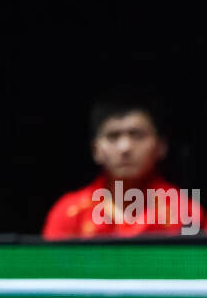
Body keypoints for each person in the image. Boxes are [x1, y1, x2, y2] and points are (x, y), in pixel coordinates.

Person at [43, 98, 196, 239]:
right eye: (113, 136)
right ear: (96, 150)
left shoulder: (185, 212)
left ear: (161, 146)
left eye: (137, 135)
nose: (125, 147)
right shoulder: (69, 213)